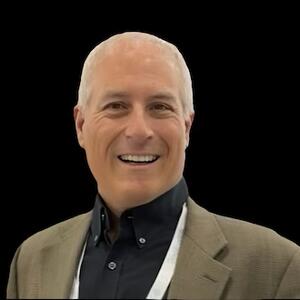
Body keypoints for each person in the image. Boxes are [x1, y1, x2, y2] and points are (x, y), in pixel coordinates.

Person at [7, 32, 300, 299]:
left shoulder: (276, 266)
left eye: (160, 107)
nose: (139, 131)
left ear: (186, 128)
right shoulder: (32, 260)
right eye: (116, 106)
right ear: (81, 125)